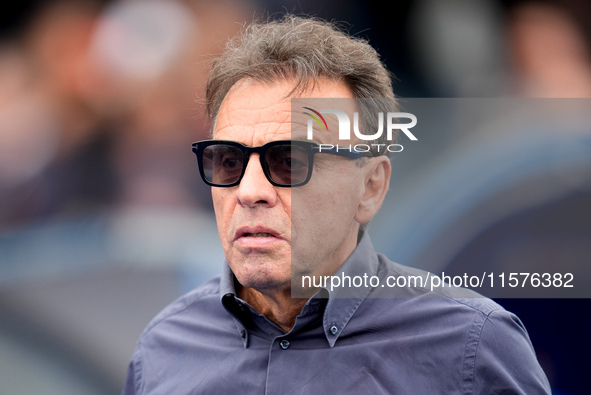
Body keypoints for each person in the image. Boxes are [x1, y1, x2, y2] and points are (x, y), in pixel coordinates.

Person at [122, 15, 550, 394]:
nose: (250, 191)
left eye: (289, 161)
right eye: (229, 160)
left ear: (370, 187)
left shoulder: (470, 348)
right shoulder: (164, 349)